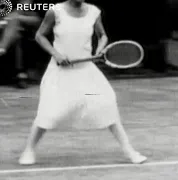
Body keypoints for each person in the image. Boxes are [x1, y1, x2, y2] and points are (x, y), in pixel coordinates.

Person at [18, 0, 147, 165]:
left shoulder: (94, 12)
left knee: (107, 104)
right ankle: (29, 149)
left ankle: (129, 151)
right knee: (49, 112)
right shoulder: (55, 11)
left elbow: (103, 36)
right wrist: (56, 54)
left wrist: (101, 48)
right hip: (60, 73)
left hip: (87, 71)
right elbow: (39, 35)